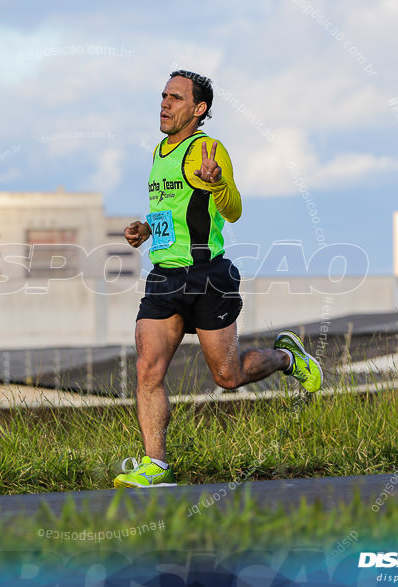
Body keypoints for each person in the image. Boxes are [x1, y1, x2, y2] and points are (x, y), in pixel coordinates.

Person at [113, 70, 323, 489]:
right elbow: (176, 209)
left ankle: (288, 358)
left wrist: (218, 182)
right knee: (147, 370)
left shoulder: (208, 149)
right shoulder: (159, 152)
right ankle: (156, 464)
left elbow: (233, 210)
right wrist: (146, 230)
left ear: (199, 108)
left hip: (208, 275)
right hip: (165, 276)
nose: (165, 103)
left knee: (227, 377)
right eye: (163, 96)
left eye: (175, 97)